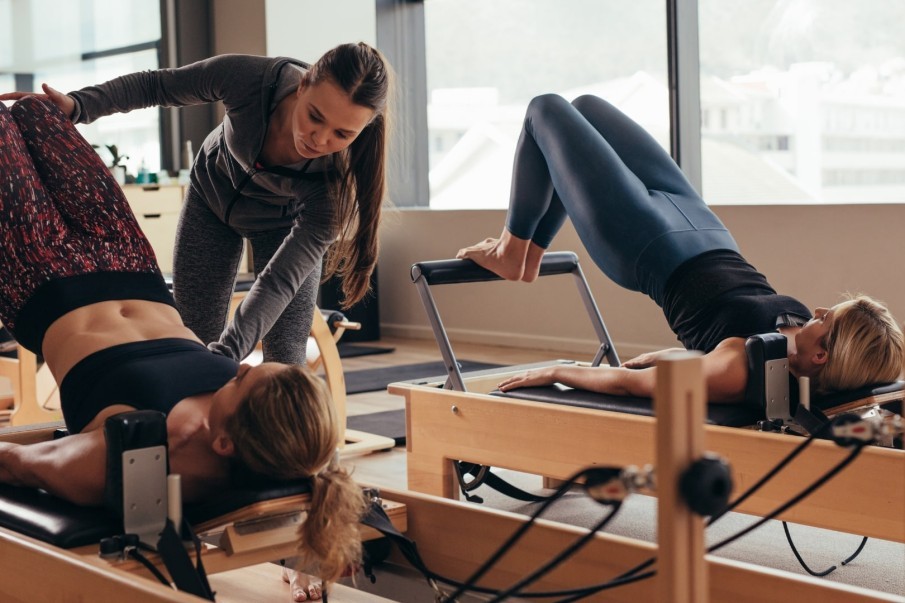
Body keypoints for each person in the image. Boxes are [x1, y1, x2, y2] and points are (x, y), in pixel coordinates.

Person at [0, 96, 364, 596]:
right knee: (38, 114)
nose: (233, 368)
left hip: (43, 280)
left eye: (237, 379)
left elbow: (15, 463)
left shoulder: (127, 456)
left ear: (223, 443)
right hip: (131, 263)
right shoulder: (281, 431)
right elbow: (311, 465)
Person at [457, 93, 904, 402]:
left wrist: (557, 372)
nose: (820, 310)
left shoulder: (741, 369)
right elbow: (702, 351)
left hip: (644, 244)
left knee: (545, 110)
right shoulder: (794, 339)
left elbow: (634, 386)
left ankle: (513, 253)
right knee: (587, 109)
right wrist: (674, 354)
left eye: (827, 319)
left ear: (821, 356)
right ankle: (526, 255)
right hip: (701, 225)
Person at [0, 41, 392, 368]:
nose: (319, 139)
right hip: (211, 201)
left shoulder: (335, 185)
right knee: (190, 337)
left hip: (284, 225)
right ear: (303, 85)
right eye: (314, 117)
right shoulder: (252, 79)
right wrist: (80, 105)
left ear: (363, 129)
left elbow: (276, 282)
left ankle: (289, 458)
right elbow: (158, 86)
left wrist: (227, 356)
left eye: (342, 133)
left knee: (284, 360)